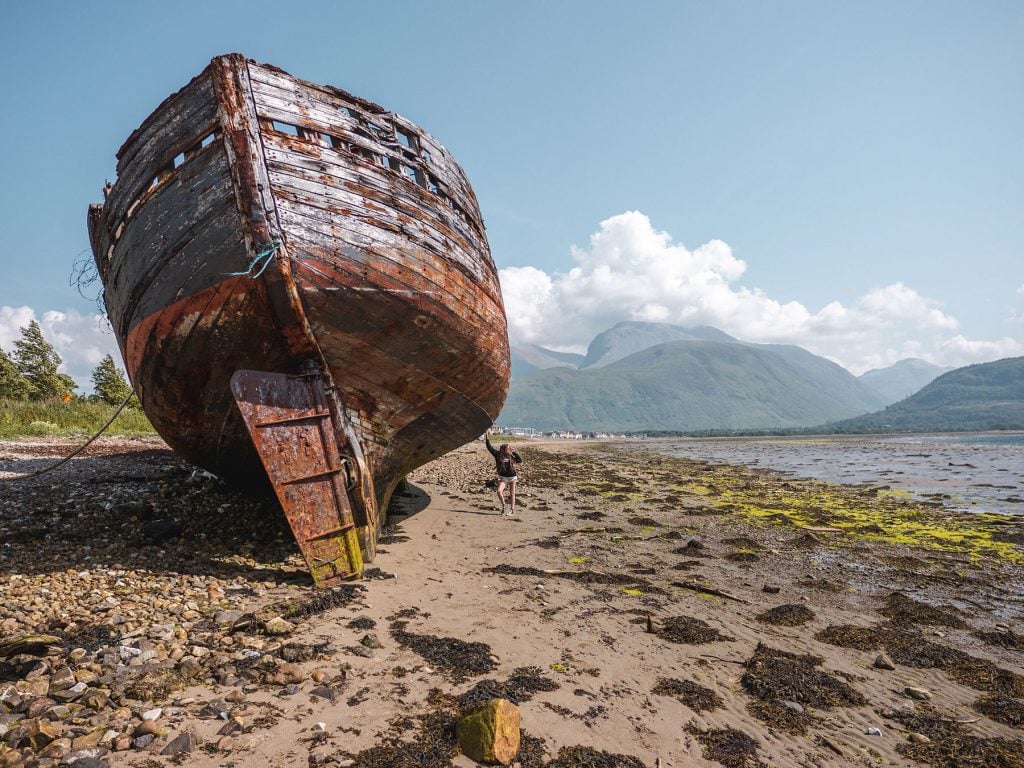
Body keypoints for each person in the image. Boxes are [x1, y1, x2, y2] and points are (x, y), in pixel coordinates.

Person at [485, 434, 522, 516]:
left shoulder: (510, 455)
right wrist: (487, 438)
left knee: (512, 493)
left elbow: (519, 460)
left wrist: (514, 452)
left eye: (509, 448)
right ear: (504, 449)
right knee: (499, 491)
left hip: (512, 477)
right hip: (504, 478)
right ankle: (504, 506)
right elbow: (489, 447)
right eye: (508, 448)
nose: (509, 449)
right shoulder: (497, 454)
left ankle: (512, 510)